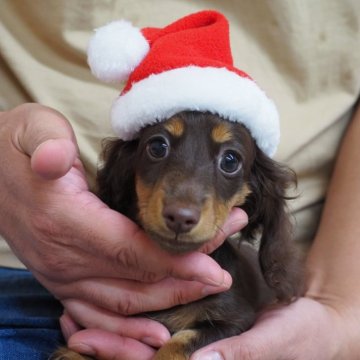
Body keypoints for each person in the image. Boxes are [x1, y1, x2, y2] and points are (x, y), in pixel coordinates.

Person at [0, 1, 359, 359]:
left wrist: (339, 314)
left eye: (229, 161)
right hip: (34, 270)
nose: (183, 209)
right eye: (158, 148)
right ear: (126, 168)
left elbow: (235, 318)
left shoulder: (229, 290)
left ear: (255, 193)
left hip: (301, 317)